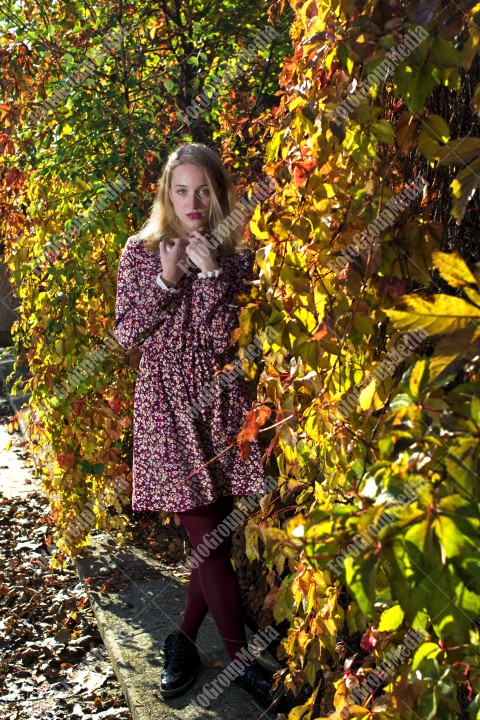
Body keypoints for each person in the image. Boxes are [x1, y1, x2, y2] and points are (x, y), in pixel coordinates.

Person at [113, 142, 285, 714]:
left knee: (216, 538)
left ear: (219, 193)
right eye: (181, 190)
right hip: (167, 408)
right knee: (207, 541)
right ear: (167, 194)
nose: (192, 201)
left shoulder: (238, 257)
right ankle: (240, 665)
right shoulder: (139, 253)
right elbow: (128, 334)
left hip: (221, 405)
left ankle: (182, 640)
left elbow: (227, 344)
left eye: (203, 189)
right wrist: (166, 279)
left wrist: (211, 278)